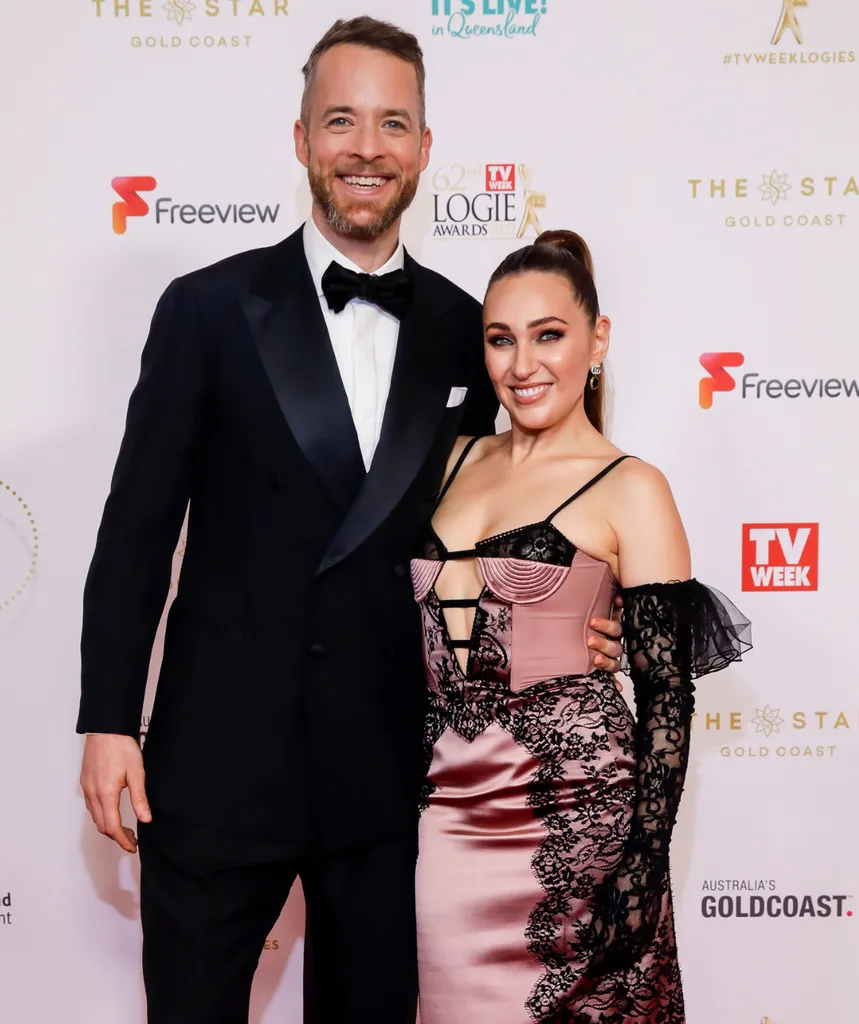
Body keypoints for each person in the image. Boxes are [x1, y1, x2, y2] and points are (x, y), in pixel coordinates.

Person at [76, 19, 624, 1024]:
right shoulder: (206, 309)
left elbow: (517, 507)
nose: (366, 148)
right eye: (340, 121)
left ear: (424, 146)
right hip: (215, 761)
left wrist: (583, 616)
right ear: (300, 139)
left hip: (388, 774)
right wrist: (109, 718)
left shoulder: (467, 329)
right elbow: (136, 530)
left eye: (391, 124)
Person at [411, 230, 752, 1023]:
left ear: (597, 340)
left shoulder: (632, 487)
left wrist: (641, 868)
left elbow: (667, 701)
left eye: (548, 335)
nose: (521, 364)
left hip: (578, 829)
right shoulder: (442, 463)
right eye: (501, 339)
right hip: (438, 826)